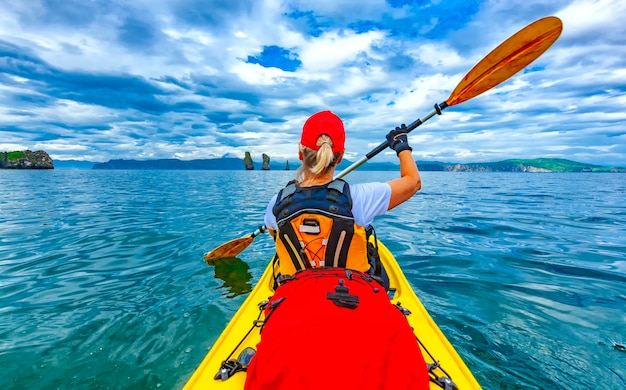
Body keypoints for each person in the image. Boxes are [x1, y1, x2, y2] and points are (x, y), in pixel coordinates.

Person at [244, 110, 429, 390]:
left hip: (293, 305)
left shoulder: (275, 205)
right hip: (359, 303)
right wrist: (401, 144)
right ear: (339, 158)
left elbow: (277, 238)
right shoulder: (360, 198)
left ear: (299, 153)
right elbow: (412, 182)